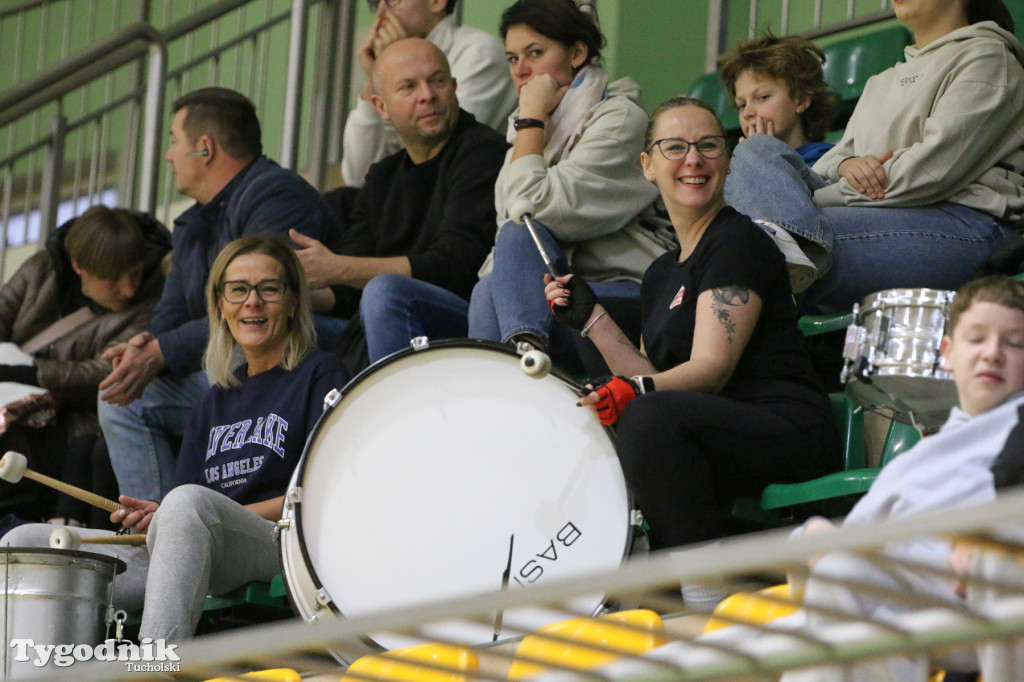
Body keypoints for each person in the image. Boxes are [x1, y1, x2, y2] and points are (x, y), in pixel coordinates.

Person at [544, 97, 840, 610]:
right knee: (617, 422)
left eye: (708, 146)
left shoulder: (737, 241)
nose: (693, 160)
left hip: (785, 428)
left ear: (725, 161)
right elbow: (654, 376)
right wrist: (590, 322)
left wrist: (632, 392)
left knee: (646, 417)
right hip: (714, 430)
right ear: (647, 165)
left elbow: (707, 371)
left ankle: (700, 605)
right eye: (674, 148)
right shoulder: (661, 272)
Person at [2, 235, 348, 643]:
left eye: (268, 289)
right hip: (195, 543)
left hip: (278, 544)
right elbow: (187, 505)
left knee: (186, 506)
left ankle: (157, 667)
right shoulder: (213, 400)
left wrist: (194, 515)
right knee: (22, 543)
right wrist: (157, 515)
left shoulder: (320, 375)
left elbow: (318, 493)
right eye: (237, 290)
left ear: (292, 301)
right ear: (220, 304)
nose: (252, 302)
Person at [360, 0, 675, 368]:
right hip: (554, 291)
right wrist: (531, 123)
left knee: (513, 240)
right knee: (475, 289)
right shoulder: (528, 127)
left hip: (623, 290)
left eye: (535, 53)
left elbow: (530, 210)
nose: (521, 71)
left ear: (576, 53)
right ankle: (512, 368)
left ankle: (514, 372)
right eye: (512, 59)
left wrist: (531, 120)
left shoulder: (619, 119)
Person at [763, 275, 1024, 682]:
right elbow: (843, 543)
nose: (993, 353)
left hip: (990, 596)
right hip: (901, 602)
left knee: (843, 578)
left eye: (1014, 343)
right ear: (948, 353)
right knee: (721, 655)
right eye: (977, 339)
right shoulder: (913, 462)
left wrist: (993, 531)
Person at [97, 87, 338, 502]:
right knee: (121, 399)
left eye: (174, 141)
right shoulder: (191, 223)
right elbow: (171, 314)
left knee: (238, 344)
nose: (169, 155)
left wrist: (162, 351)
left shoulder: (277, 194)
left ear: (203, 148)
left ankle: (221, 518)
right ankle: (151, 529)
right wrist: (143, 348)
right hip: (226, 365)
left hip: (292, 359)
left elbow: (262, 306)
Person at [725, 0, 1023, 311]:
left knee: (749, 251)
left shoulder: (988, 57)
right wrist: (845, 164)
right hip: (874, 212)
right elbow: (831, 162)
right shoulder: (881, 82)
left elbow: (928, 174)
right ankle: (777, 250)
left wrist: (814, 201)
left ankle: (772, 252)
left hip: (965, 223)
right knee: (754, 148)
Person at [288, 38, 507, 371]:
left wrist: (341, 268)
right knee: (271, 325)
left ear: (454, 87)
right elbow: (350, 290)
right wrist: (293, 291)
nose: (427, 95)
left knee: (385, 291)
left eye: (437, 81)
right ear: (381, 107)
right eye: (408, 87)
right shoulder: (382, 176)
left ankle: (396, 414)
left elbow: (458, 266)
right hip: (376, 327)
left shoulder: (483, 152)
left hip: (468, 325)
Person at [0, 205, 170, 524]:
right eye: (113, 279)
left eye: (134, 273)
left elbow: (105, 371)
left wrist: (29, 373)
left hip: (76, 415)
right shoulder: (43, 268)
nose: (129, 288)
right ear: (79, 267)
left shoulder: (155, 297)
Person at [340, 0, 516, 188]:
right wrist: (374, 76)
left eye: (392, 1)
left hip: (472, 189)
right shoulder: (388, 62)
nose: (381, 12)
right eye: (376, 2)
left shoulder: (479, 52)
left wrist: (401, 63)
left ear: (437, 2)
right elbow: (358, 177)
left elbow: (436, 149)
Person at [720, 33, 837, 292]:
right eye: (741, 104)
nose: (749, 111)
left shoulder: (829, 160)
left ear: (800, 100)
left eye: (762, 97)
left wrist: (758, 153)